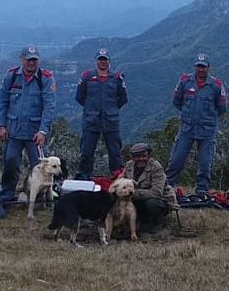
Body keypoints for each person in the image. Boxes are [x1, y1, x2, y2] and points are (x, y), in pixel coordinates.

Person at [0, 44, 56, 204]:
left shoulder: (45, 78)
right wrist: (1, 126)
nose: (31, 63)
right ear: (21, 59)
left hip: (35, 133)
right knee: (10, 163)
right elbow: (2, 101)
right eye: (28, 60)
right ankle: (8, 195)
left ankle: (40, 197)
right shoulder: (11, 76)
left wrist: (43, 131)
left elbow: (49, 107)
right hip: (13, 130)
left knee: (40, 166)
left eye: (34, 60)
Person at [166, 53, 228, 194]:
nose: (201, 69)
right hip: (187, 128)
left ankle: (201, 191)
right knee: (176, 160)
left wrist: (208, 118)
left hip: (207, 130)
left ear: (209, 68)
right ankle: (167, 187)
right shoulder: (185, 81)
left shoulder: (216, 85)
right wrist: (188, 115)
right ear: (195, 66)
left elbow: (222, 107)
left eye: (204, 67)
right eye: (199, 66)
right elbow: (177, 101)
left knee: (205, 164)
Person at [75, 48, 128, 177]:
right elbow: (79, 97)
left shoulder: (116, 78)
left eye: (105, 60)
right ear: (96, 61)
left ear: (109, 62)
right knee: (86, 152)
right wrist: (90, 108)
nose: (103, 62)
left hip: (111, 121)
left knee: (115, 152)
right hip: (90, 121)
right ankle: (84, 178)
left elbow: (123, 98)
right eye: (100, 60)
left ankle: (117, 179)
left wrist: (112, 109)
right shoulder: (87, 76)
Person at [121, 142, 177, 233]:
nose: (140, 159)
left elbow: (156, 192)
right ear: (132, 157)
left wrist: (132, 193)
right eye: (137, 156)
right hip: (136, 198)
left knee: (152, 204)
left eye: (144, 156)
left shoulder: (156, 167)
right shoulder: (129, 165)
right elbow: (121, 181)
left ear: (149, 156)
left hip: (159, 199)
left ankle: (156, 224)